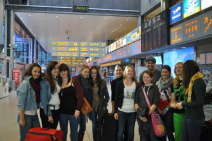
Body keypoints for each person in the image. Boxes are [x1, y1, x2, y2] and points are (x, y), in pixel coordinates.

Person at [176, 60, 206, 141]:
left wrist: (183, 104)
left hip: (195, 117)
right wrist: (184, 103)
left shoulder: (198, 82)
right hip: (188, 115)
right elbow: (192, 99)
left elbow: (200, 102)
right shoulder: (192, 81)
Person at [58, 63, 84, 141]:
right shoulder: (58, 83)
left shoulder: (74, 81)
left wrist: (78, 109)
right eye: (61, 71)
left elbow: (80, 96)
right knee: (63, 133)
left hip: (73, 113)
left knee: (74, 133)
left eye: (64, 71)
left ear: (68, 71)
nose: (63, 73)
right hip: (62, 113)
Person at [114, 64, 140, 141]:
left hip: (132, 112)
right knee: (120, 132)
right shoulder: (120, 84)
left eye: (132, 71)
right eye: (129, 71)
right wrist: (115, 111)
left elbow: (138, 99)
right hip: (121, 111)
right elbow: (116, 98)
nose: (130, 72)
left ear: (134, 73)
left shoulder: (137, 84)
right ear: (125, 72)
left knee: (131, 131)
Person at [17, 63, 42, 141]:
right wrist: (22, 118)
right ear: (30, 71)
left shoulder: (35, 83)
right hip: (26, 116)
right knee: (25, 138)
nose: (37, 74)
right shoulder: (26, 83)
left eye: (38, 72)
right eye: (35, 71)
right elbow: (21, 103)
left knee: (35, 137)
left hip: (34, 115)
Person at [135, 70, 160, 141]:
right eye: (144, 77)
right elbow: (136, 102)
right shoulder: (139, 89)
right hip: (141, 117)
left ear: (151, 78)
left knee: (153, 137)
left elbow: (155, 102)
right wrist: (141, 115)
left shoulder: (155, 88)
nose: (145, 79)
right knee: (143, 137)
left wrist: (146, 115)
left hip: (152, 116)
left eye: (147, 77)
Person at [89, 66, 109, 141]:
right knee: (94, 125)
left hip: (100, 107)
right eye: (92, 73)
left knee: (100, 125)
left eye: (95, 73)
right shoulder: (88, 83)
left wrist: (104, 106)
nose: (94, 74)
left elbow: (106, 96)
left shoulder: (102, 82)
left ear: (97, 73)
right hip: (92, 107)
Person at [73, 64, 93, 141]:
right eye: (85, 72)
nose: (86, 74)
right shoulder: (76, 79)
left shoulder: (89, 81)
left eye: (88, 72)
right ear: (81, 71)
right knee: (75, 126)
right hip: (76, 106)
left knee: (83, 127)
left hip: (84, 107)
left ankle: (79, 139)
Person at [40, 61, 60, 129]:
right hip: (48, 111)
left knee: (53, 133)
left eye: (58, 68)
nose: (57, 70)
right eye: (54, 68)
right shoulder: (45, 82)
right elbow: (44, 100)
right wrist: (49, 115)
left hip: (56, 110)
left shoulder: (56, 81)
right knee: (48, 135)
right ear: (50, 69)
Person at [156, 65, 174, 141]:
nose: (164, 73)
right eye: (162, 72)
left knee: (169, 130)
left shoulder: (173, 83)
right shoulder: (157, 83)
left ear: (169, 73)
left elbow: (173, 99)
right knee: (161, 130)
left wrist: (166, 109)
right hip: (159, 110)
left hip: (168, 110)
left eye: (166, 72)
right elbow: (155, 98)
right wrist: (158, 109)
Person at [170, 62, 186, 141]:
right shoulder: (174, 83)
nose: (178, 69)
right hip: (177, 112)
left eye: (180, 67)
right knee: (178, 135)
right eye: (176, 68)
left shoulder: (189, 82)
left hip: (188, 111)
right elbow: (173, 100)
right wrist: (172, 104)